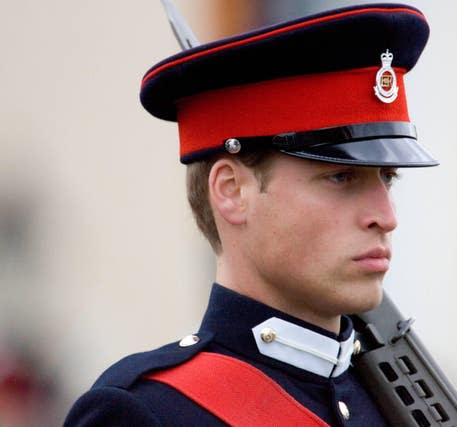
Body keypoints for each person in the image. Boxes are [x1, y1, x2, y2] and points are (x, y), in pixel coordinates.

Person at [64, 3, 436, 426]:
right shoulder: (147, 413)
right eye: (341, 178)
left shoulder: (403, 406)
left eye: (388, 178)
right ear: (232, 192)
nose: (386, 217)